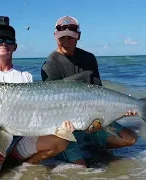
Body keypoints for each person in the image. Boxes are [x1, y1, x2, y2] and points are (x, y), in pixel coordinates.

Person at [0, 16, 72, 180]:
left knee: (61, 141)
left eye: (8, 40)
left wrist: (62, 122)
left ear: (15, 46)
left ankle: (26, 167)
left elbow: (35, 113)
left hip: (18, 142)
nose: (3, 43)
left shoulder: (25, 77)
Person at [41, 16, 138, 167]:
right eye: (62, 38)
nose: (66, 41)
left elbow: (98, 90)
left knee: (130, 139)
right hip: (67, 127)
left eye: (70, 38)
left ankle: (92, 143)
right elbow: (53, 107)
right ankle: (80, 144)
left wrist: (117, 109)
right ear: (55, 36)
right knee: (81, 169)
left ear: (78, 36)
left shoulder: (89, 58)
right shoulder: (50, 65)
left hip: (92, 119)